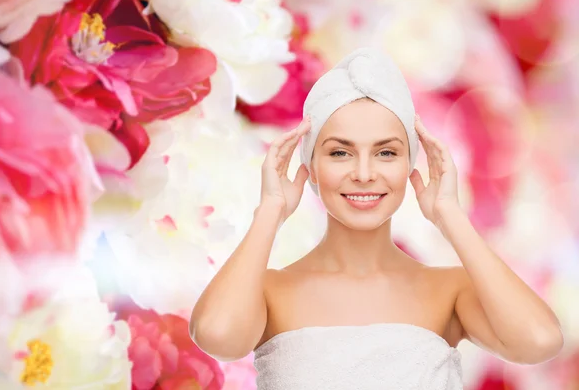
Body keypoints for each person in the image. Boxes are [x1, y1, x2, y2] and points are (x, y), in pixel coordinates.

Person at [189, 48, 564, 389]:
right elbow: (216, 335)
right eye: (340, 153)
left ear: (410, 164)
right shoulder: (270, 292)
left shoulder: (450, 291)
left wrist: (450, 216)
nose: (365, 173)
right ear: (310, 165)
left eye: (386, 153)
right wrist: (270, 210)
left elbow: (539, 341)